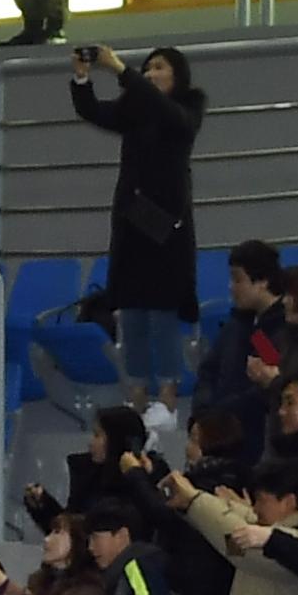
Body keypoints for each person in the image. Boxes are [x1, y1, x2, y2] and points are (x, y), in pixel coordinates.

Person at [74, 45, 206, 396]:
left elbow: (167, 113)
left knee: (162, 314)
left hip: (167, 227)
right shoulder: (135, 112)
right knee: (131, 312)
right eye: (145, 69)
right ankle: (136, 400)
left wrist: (120, 69)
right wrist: (82, 77)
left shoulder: (188, 106)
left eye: (159, 67)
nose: (150, 74)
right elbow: (90, 110)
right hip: (132, 223)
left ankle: (166, 400)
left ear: (177, 75)